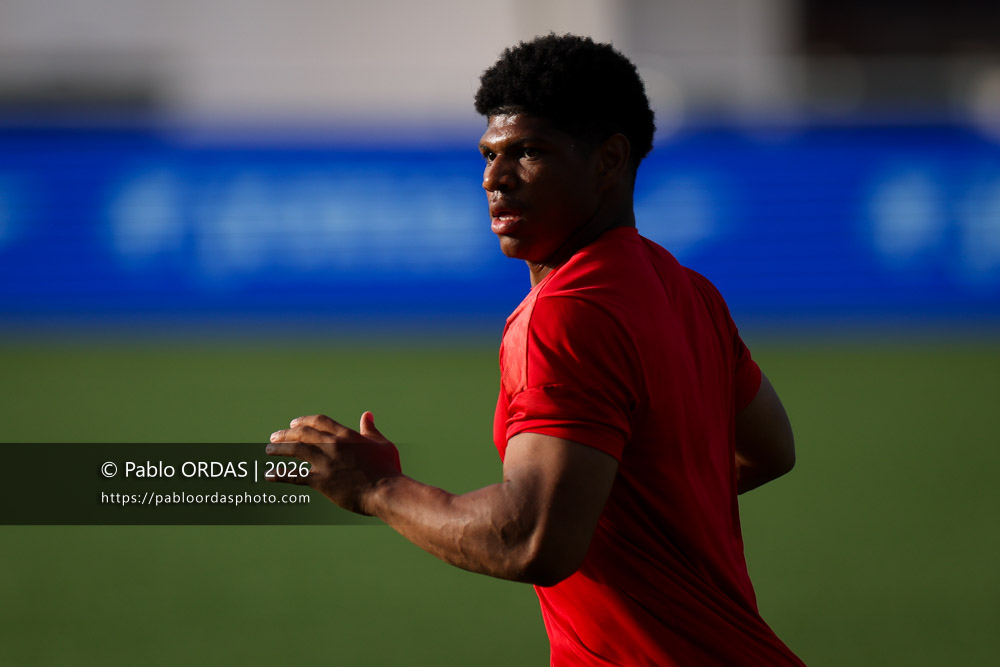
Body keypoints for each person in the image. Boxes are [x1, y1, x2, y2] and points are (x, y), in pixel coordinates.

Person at [267, 33, 803, 666]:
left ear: (609, 160)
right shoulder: (689, 291)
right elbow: (771, 449)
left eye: (528, 152)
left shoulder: (567, 313)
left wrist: (377, 487)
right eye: (489, 154)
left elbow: (528, 539)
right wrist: (603, 508)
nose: (494, 179)